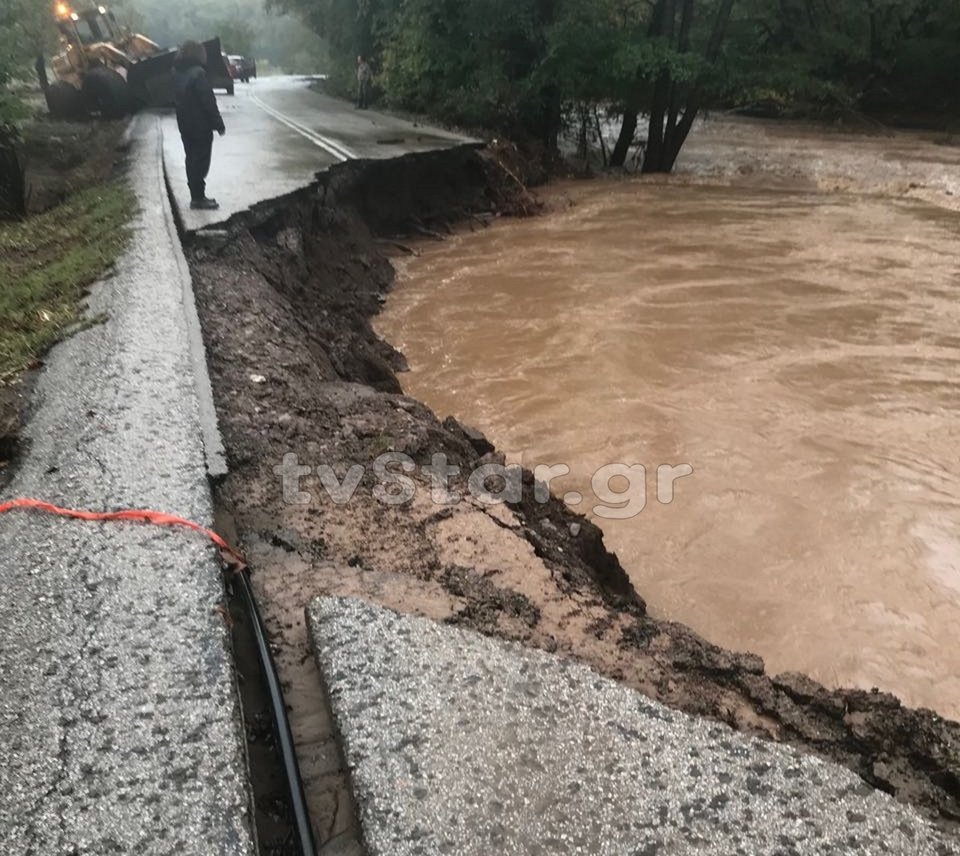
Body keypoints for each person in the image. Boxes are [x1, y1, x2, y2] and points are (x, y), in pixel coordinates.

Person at [173, 41, 225, 210]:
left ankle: (195, 195)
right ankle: (199, 198)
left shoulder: (177, 72)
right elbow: (208, 101)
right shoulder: (198, 74)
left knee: (191, 159)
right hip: (200, 126)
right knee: (201, 161)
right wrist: (218, 123)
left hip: (185, 124)